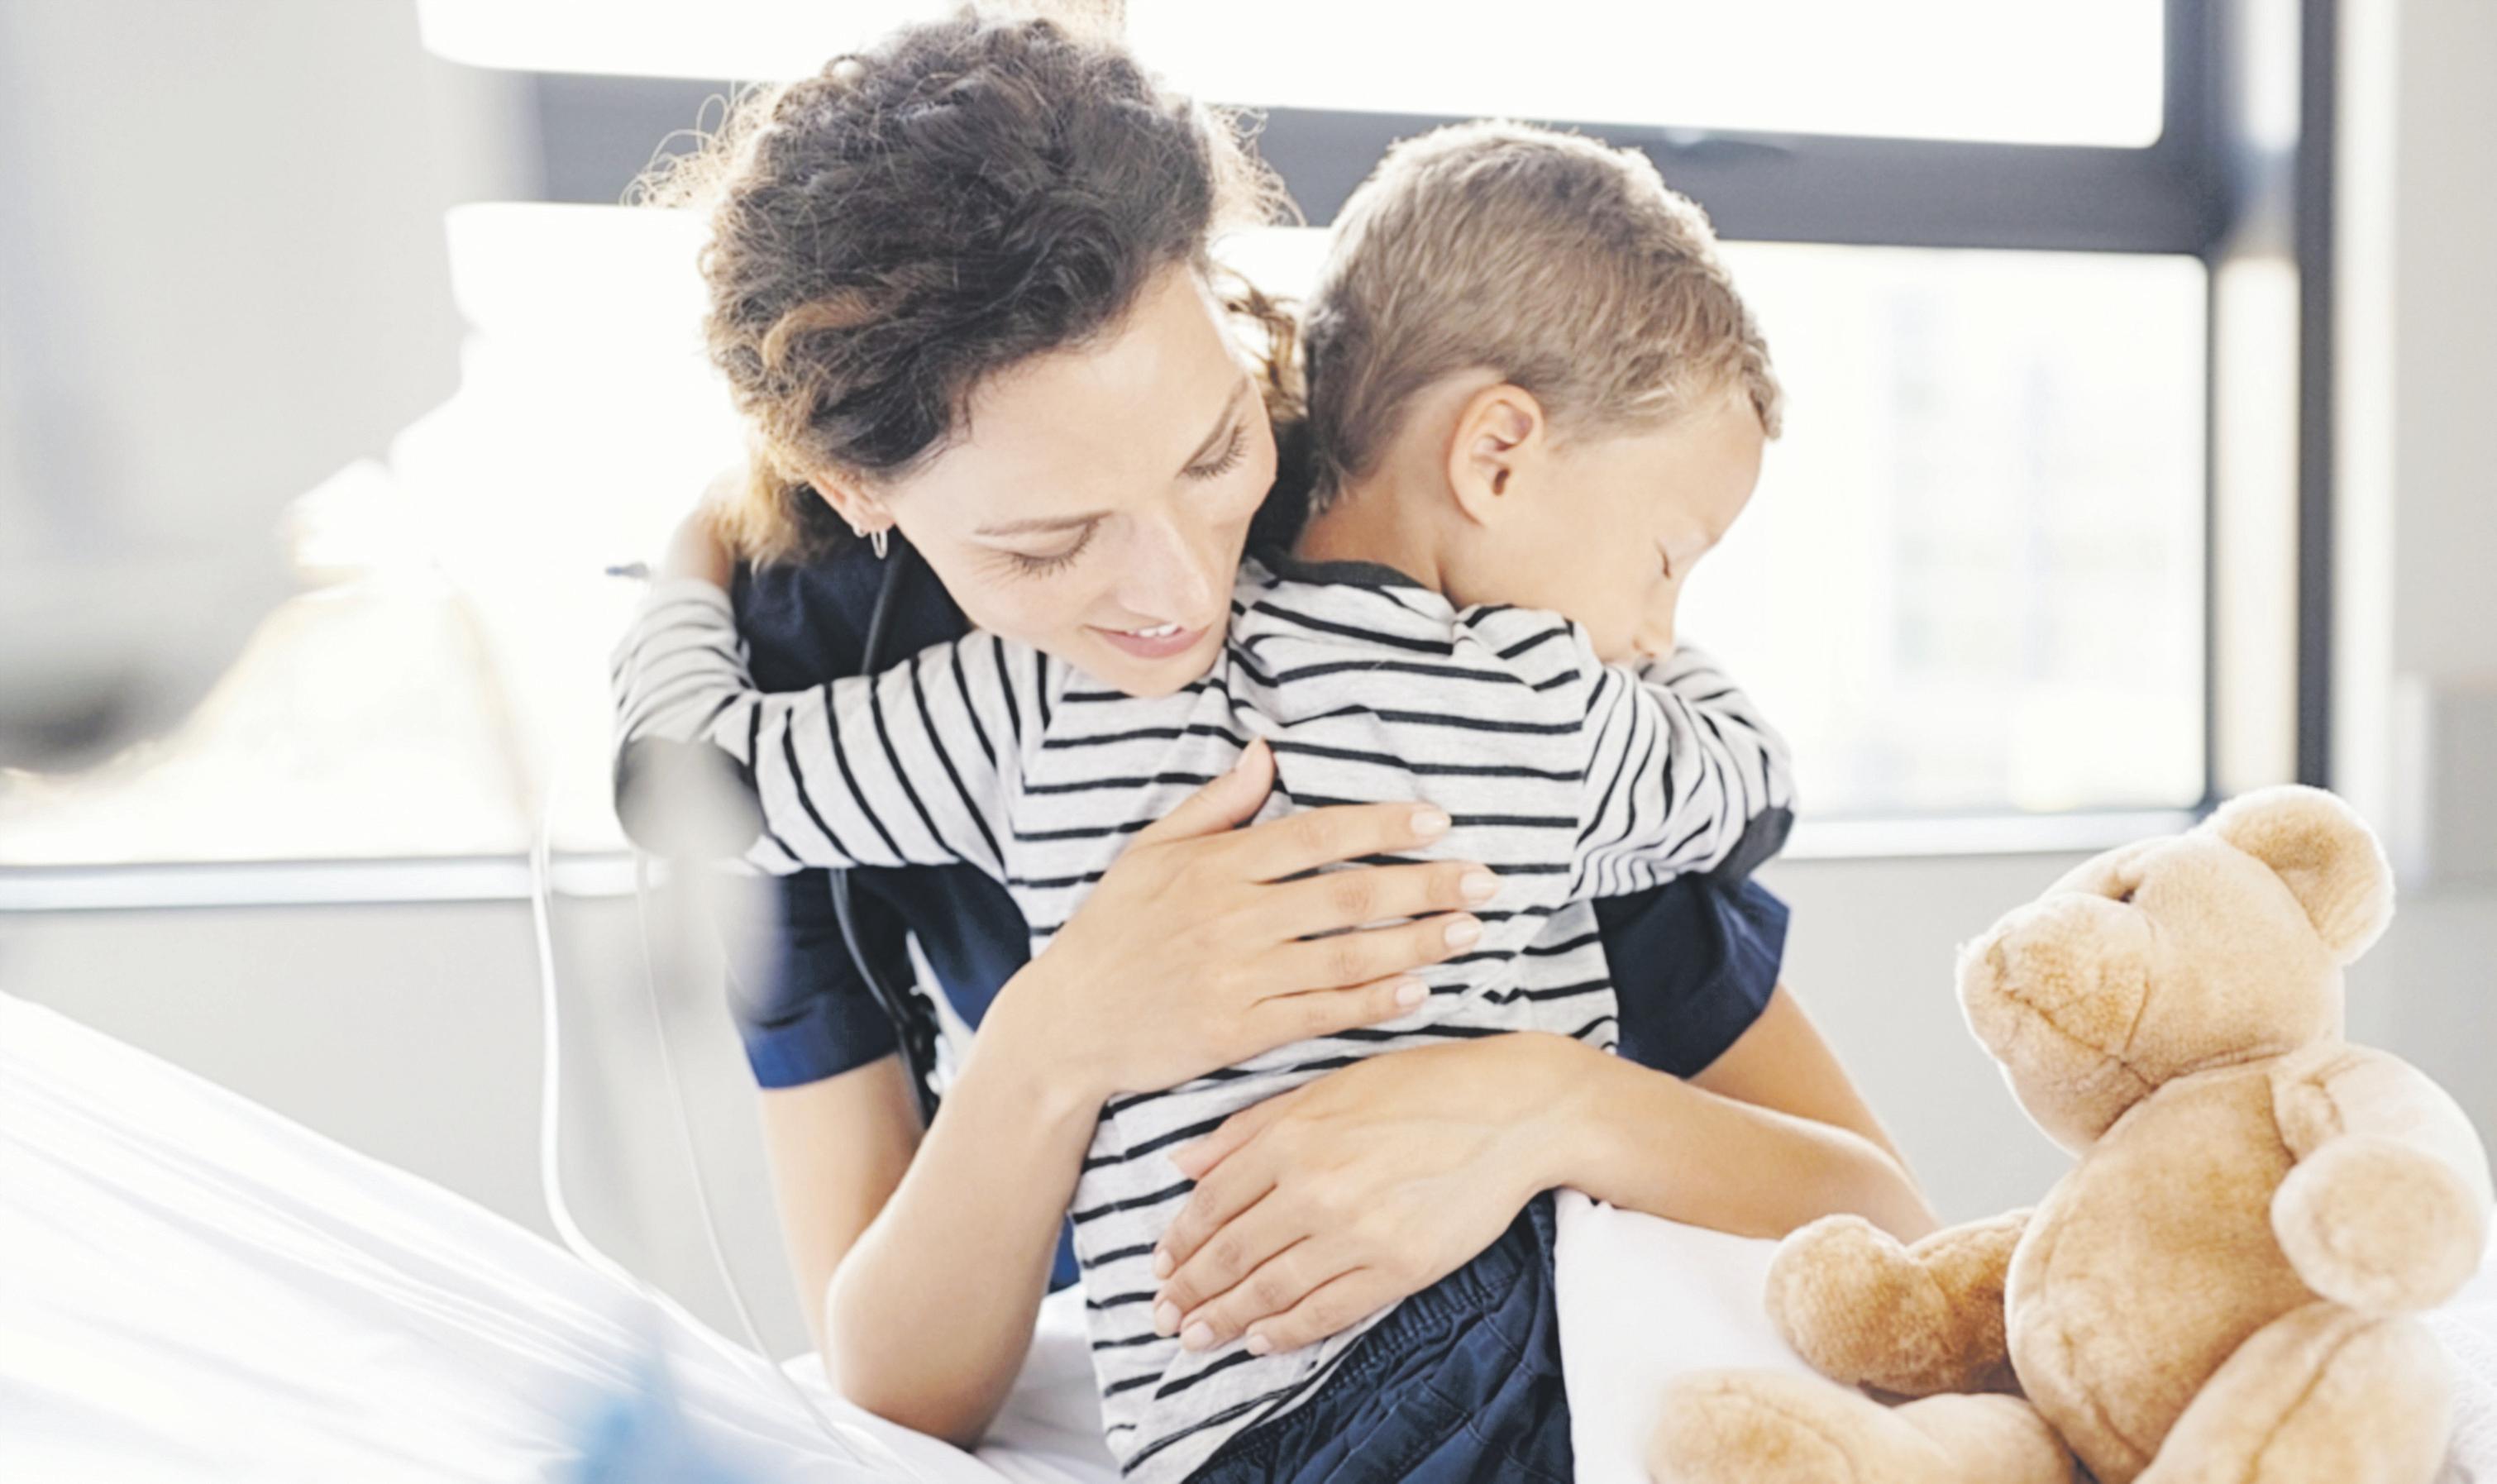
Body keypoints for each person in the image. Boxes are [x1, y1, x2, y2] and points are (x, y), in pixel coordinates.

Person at [616, 10, 1934, 1478]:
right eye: (1049, 545)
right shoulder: (819, 661)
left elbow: (1890, 1227)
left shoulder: (1437, 581)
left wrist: (1540, 1105)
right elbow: (892, 1384)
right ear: (853, 487)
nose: (1182, 592)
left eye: (1212, 455)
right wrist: (1063, 1034)